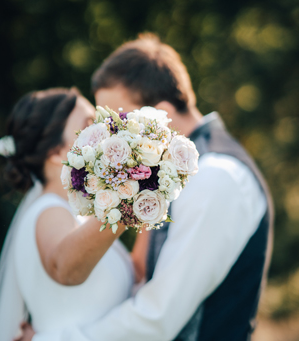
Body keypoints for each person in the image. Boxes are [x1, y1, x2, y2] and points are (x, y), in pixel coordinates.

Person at [23, 34, 274, 341]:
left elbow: (158, 316)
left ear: (161, 115)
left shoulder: (217, 176)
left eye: (120, 122)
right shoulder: (173, 177)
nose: (107, 140)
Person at [0, 88, 134, 341]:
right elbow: (65, 268)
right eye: (89, 124)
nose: (104, 131)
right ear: (57, 153)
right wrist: (129, 197)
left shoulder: (77, 217)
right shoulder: (48, 211)